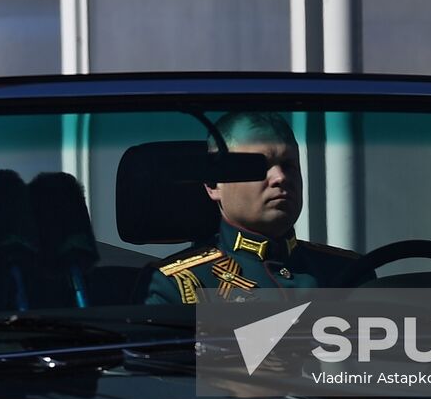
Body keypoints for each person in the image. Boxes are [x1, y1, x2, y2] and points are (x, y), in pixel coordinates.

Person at [146, 112, 357, 303]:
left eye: (289, 165)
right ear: (213, 184)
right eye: (259, 167)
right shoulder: (179, 285)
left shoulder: (348, 273)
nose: (280, 178)